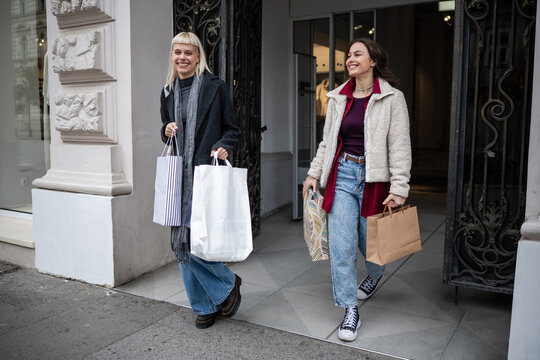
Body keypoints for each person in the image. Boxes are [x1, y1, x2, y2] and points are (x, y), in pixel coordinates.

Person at [302, 38, 411, 342]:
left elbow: (400, 147)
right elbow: (327, 142)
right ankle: (350, 309)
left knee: (373, 244)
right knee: (342, 245)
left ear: (373, 60)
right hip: (343, 175)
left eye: (357, 54)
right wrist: (313, 173)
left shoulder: (392, 98)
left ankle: (374, 275)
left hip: (376, 178)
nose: (350, 59)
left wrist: (400, 186)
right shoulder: (338, 97)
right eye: (349, 55)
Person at [159, 32, 242, 329]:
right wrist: (166, 129)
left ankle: (226, 283)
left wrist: (224, 145)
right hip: (177, 176)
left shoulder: (215, 88)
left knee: (193, 241)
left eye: (188, 53)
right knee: (180, 242)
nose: (182, 57)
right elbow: (165, 128)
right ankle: (203, 305)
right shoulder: (168, 91)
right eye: (177, 52)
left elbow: (232, 129)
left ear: (197, 57)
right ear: (172, 56)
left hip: (204, 173)